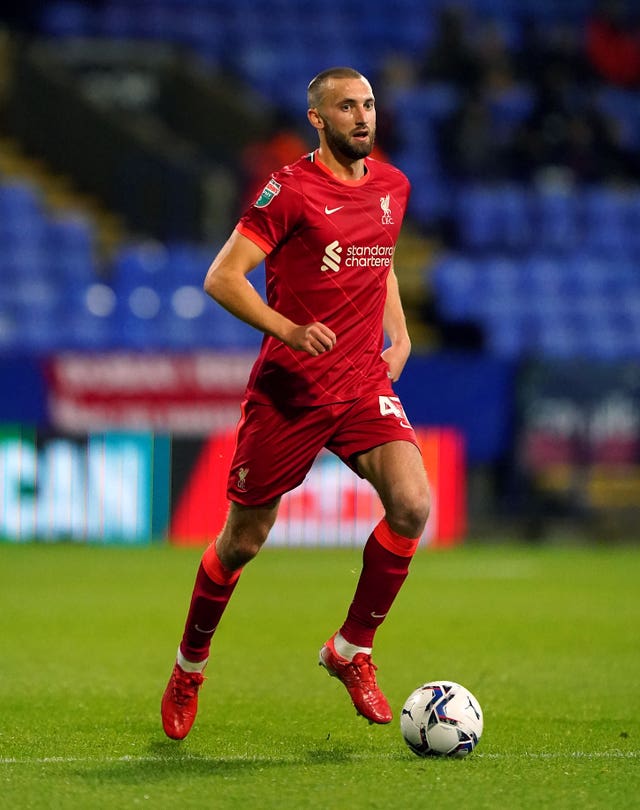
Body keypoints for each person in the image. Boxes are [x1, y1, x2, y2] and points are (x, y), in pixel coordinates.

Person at [161, 66, 431, 740]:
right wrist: (287, 329)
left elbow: (382, 257)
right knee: (243, 540)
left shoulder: (393, 187)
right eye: (347, 107)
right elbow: (222, 277)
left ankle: (351, 650)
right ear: (317, 118)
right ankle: (190, 665)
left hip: (362, 383)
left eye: (368, 105)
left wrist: (399, 332)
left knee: (413, 503)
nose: (362, 117)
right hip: (292, 388)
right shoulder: (289, 191)